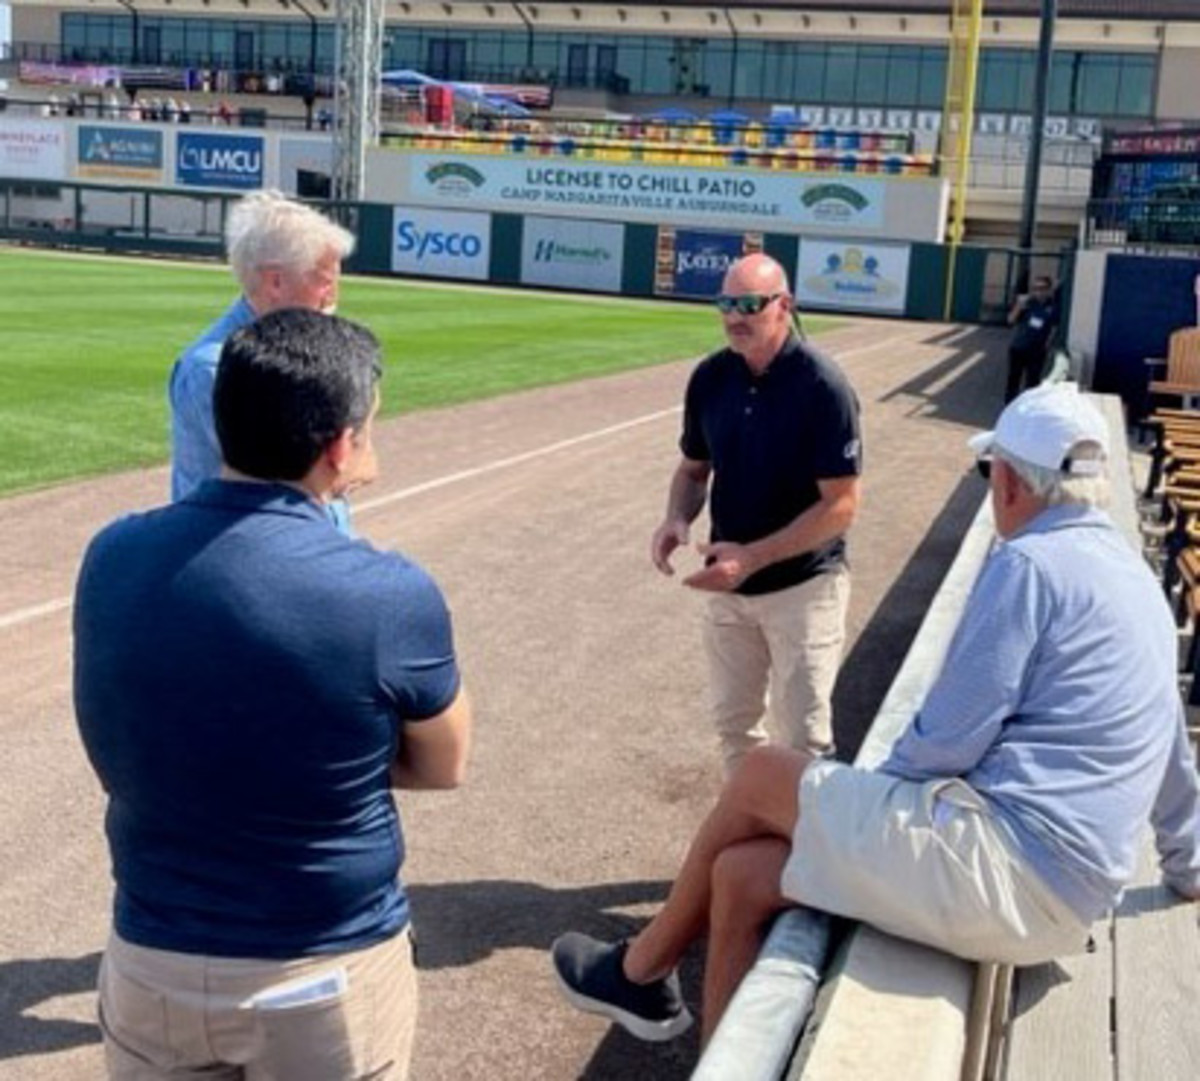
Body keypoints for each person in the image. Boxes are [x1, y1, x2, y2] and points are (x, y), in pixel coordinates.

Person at [554, 382, 1200, 1048]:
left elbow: (947, 737)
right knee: (739, 876)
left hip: (1006, 875)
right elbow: (1173, 756)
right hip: (1064, 895)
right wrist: (1188, 864)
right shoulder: (1135, 577)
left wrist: (868, 799)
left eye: (989, 471)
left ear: (1008, 481)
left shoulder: (1029, 564)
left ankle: (641, 969)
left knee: (762, 773)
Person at [75, 308, 472, 1080]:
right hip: (323, 971)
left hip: (151, 960)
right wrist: (314, 756)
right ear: (337, 446)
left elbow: (117, 743)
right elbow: (445, 761)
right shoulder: (386, 591)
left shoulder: (113, 554)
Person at [650, 253, 862, 775]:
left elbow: (841, 504)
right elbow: (694, 470)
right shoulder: (710, 377)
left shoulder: (822, 386)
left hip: (803, 588)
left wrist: (754, 557)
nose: (734, 316)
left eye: (749, 304)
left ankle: (807, 850)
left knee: (805, 740)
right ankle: (751, 836)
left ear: (783, 306)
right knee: (735, 728)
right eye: (726, 303)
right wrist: (676, 518)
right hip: (732, 590)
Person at [169, 189, 356, 532]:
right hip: (241, 563)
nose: (333, 297)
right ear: (276, 282)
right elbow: (294, 484)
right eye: (325, 283)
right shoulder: (215, 368)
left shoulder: (300, 351)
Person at [1005, 274, 1060, 403]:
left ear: (1048, 289)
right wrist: (1018, 306)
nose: (1038, 291)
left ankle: (1028, 406)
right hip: (1018, 347)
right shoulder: (1028, 303)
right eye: (1035, 288)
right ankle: (1009, 405)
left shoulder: (1052, 307)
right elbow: (1010, 320)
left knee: (1032, 381)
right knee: (1013, 379)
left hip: (1037, 350)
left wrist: (1048, 344)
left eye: (1042, 288)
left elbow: (1054, 328)